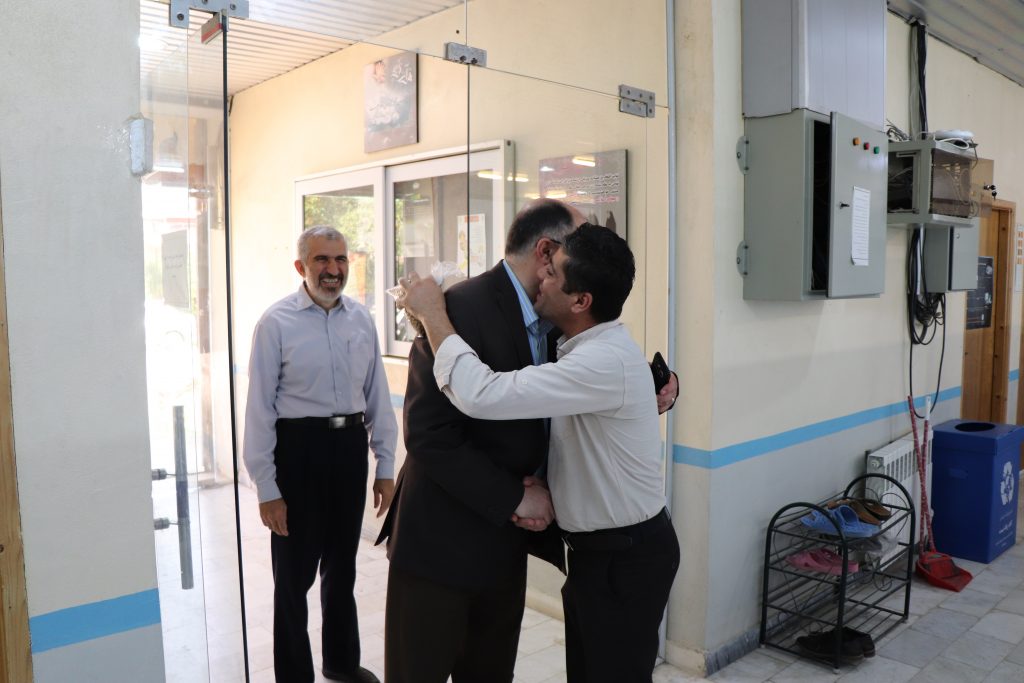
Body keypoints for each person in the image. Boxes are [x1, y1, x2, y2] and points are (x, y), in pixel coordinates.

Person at [399, 223, 680, 683]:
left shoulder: (600, 360)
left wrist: (431, 314)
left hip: (623, 559)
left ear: (581, 301)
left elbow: (482, 394)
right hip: (596, 555)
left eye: (554, 273)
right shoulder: (581, 344)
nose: (541, 275)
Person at [376, 199, 579, 683]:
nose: (585, 262)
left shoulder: (557, 320)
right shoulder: (457, 308)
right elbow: (429, 433)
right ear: (546, 253)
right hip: (438, 544)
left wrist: (653, 387)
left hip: (503, 544)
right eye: (580, 249)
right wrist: (514, 497)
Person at [243, 225, 397, 683]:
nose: (333, 269)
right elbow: (258, 411)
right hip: (298, 453)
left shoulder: (361, 319)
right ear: (301, 266)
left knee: (342, 567)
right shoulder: (275, 323)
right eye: (322, 260)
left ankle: (341, 664)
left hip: (349, 451)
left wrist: (386, 466)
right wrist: (267, 488)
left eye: (340, 259)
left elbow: (377, 395)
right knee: (293, 579)